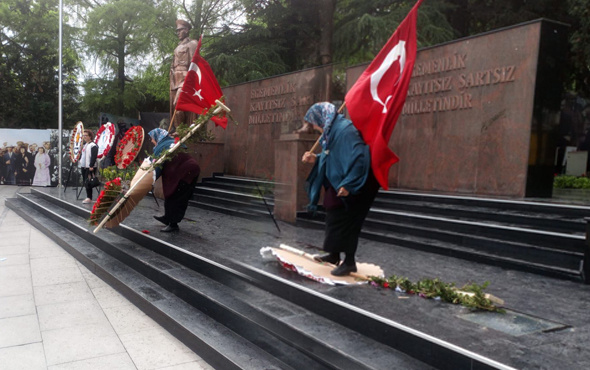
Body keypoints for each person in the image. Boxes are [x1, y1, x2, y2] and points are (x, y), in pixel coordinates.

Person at [301, 102, 380, 276]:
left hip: (356, 182)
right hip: (338, 181)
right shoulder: (331, 131)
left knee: (348, 221)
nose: (314, 128)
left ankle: (349, 262)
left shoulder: (345, 131)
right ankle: (334, 254)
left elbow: (359, 156)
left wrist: (349, 184)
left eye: (314, 123)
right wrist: (316, 157)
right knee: (332, 211)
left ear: (321, 119)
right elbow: (334, 155)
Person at [148, 128, 200, 232]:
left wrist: (149, 181)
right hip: (184, 172)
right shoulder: (168, 143)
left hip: (186, 173)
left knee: (176, 197)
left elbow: (157, 166)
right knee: (171, 194)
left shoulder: (164, 146)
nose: (151, 141)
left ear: (157, 137)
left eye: (152, 138)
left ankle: (173, 224)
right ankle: (168, 218)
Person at [170, 19, 199, 132]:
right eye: (177, 31)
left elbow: (194, 62)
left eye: (180, 30)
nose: (178, 33)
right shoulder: (177, 47)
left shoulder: (192, 44)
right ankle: (179, 131)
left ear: (186, 30)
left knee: (178, 103)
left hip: (185, 78)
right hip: (175, 80)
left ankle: (182, 130)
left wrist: (192, 80)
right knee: (174, 107)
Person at [79, 129, 98, 204]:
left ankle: (89, 197)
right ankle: (88, 196)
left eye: (86, 136)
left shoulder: (93, 145)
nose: (84, 137)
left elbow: (93, 156)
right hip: (84, 166)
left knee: (89, 182)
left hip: (90, 166)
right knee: (85, 181)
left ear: (90, 136)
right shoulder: (85, 145)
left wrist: (91, 165)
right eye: (83, 136)